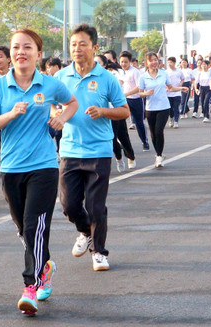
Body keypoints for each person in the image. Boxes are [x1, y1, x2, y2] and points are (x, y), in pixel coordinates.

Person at [0, 28, 78, 315]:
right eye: (15, 47)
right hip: (10, 168)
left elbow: (71, 102)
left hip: (44, 166)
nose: (20, 52)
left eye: (27, 47)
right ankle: (45, 264)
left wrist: (61, 117)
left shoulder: (49, 85)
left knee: (36, 227)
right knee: (25, 229)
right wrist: (11, 114)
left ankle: (31, 286)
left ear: (38, 53)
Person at [56, 24, 130, 272]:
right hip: (69, 150)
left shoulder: (107, 78)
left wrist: (103, 111)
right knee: (68, 204)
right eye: (73, 44)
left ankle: (99, 252)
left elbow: (124, 110)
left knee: (96, 206)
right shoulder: (61, 77)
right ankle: (84, 231)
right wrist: (57, 113)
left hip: (98, 151)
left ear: (94, 47)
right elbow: (52, 106)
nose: (77, 49)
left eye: (82, 44)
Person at [134, 52, 179, 168]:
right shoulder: (143, 77)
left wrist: (181, 88)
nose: (154, 62)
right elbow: (140, 93)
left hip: (164, 107)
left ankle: (159, 156)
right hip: (150, 108)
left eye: (155, 60)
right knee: (153, 134)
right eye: (151, 60)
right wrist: (146, 93)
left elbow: (170, 88)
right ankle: (159, 153)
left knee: (159, 131)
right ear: (147, 63)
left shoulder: (163, 74)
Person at [107, 60, 136, 172]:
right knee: (111, 138)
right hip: (103, 111)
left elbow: (118, 84)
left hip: (117, 109)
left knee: (122, 136)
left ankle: (130, 156)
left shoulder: (118, 72)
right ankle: (119, 158)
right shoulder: (98, 73)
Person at [119, 51, 150, 151]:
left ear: (130, 62)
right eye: (122, 62)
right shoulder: (120, 72)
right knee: (120, 122)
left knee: (139, 122)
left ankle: (144, 141)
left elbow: (139, 87)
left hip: (135, 100)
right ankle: (121, 142)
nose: (123, 64)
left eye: (125, 62)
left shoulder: (135, 72)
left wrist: (127, 94)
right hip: (124, 101)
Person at [165, 56, 184, 128]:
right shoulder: (166, 72)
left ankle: (176, 121)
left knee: (176, 107)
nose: (170, 64)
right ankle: (171, 118)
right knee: (170, 108)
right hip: (168, 92)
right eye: (168, 62)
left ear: (174, 63)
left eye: (171, 62)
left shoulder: (179, 71)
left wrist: (181, 84)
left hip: (177, 92)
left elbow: (183, 79)